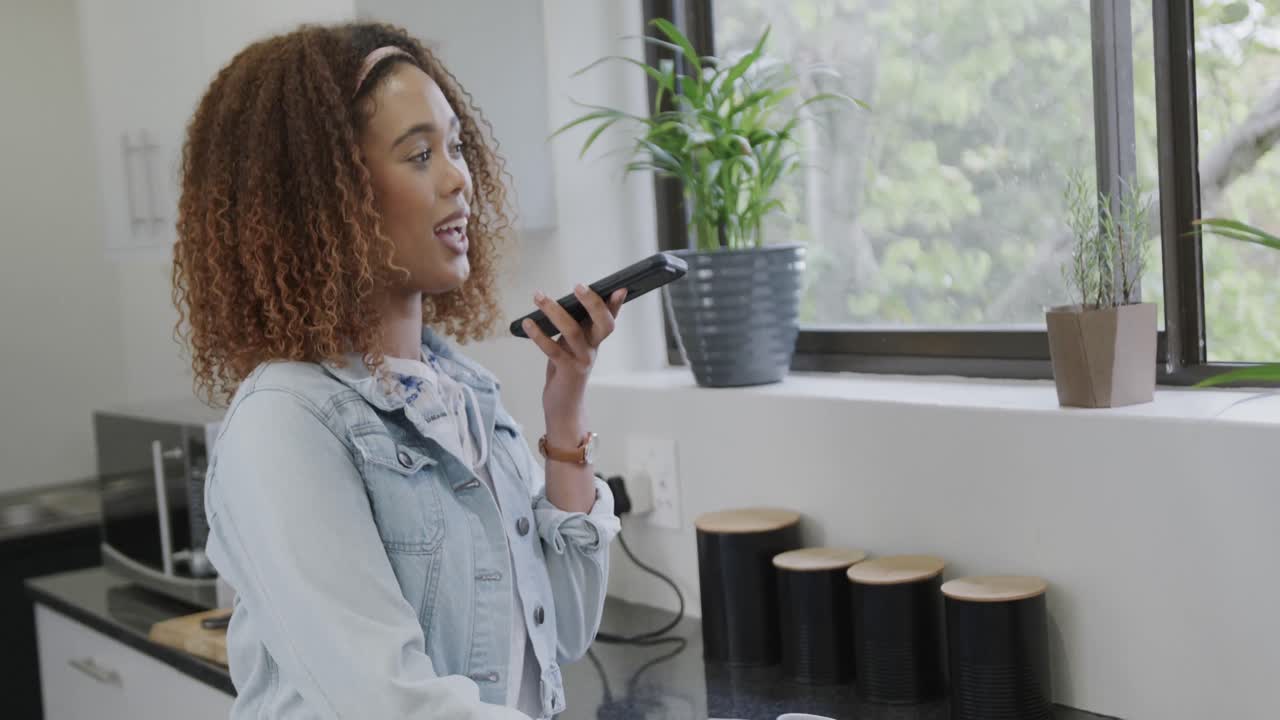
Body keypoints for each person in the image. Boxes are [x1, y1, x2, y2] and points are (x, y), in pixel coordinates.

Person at [171, 22, 625, 720]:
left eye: (456, 146)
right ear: (323, 197)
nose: (459, 177)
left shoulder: (464, 396)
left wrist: (566, 414)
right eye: (419, 154)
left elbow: (565, 629)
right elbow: (390, 704)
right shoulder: (285, 425)